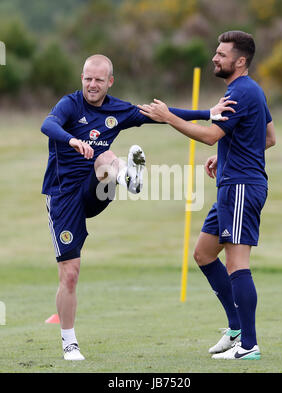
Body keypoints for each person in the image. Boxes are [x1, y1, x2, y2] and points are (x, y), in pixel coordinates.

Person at [41, 54, 235, 361]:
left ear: (110, 82)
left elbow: (160, 114)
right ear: (82, 78)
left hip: (96, 189)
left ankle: (126, 176)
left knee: (105, 157)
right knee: (70, 274)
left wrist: (207, 112)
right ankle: (69, 343)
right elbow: (47, 124)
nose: (92, 85)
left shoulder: (118, 109)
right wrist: (71, 141)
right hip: (63, 197)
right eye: (87, 78)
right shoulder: (69, 105)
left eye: (99, 80)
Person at [138, 31, 276, 360]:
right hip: (231, 185)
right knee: (203, 253)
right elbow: (268, 137)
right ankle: (236, 329)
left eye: (221, 54)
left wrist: (169, 117)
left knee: (237, 263)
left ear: (240, 61)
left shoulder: (241, 92)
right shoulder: (246, 89)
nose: (215, 57)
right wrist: (228, 155)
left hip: (242, 187)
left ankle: (250, 346)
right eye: (216, 52)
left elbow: (211, 135)